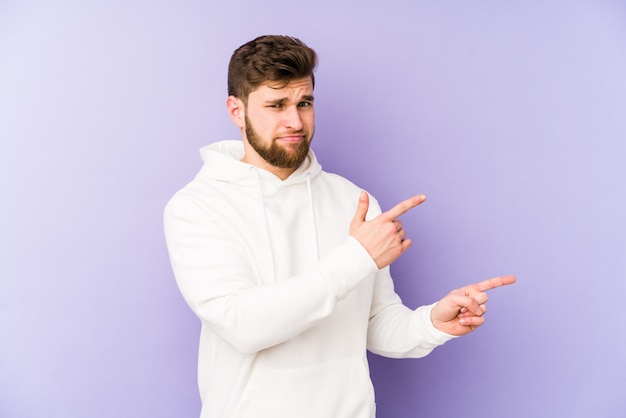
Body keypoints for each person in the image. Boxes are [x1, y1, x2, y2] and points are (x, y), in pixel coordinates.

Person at [163, 35, 515, 418]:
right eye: (276, 105)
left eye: (304, 103)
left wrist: (432, 323)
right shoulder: (197, 207)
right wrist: (356, 257)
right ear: (236, 110)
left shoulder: (353, 201)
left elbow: (375, 323)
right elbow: (242, 326)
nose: (294, 121)